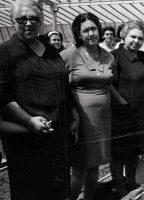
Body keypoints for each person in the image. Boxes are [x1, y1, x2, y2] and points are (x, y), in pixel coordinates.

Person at [0, 0, 78, 199]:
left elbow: (62, 82)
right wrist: (28, 120)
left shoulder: (49, 49)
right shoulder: (6, 52)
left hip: (58, 134)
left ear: (41, 20)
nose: (28, 23)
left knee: (59, 189)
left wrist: (73, 112)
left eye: (34, 18)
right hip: (28, 137)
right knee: (32, 190)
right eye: (22, 18)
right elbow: (3, 96)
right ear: (12, 20)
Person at [60, 12, 115, 200]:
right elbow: (59, 88)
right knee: (80, 169)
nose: (91, 33)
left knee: (96, 167)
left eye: (93, 29)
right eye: (86, 30)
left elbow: (110, 82)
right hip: (80, 120)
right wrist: (71, 112)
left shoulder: (108, 57)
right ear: (78, 34)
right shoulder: (68, 56)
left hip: (102, 120)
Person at [111, 20, 144, 197]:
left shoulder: (143, 56)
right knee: (120, 151)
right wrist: (121, 103)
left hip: (143, 112)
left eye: (140, 38)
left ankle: (131, 180)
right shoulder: (115, 56)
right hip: (124, 113)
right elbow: (109, 85)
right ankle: (119, 185)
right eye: (133, 36)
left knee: (135, 149)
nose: (136, 41)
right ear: (124, 35)